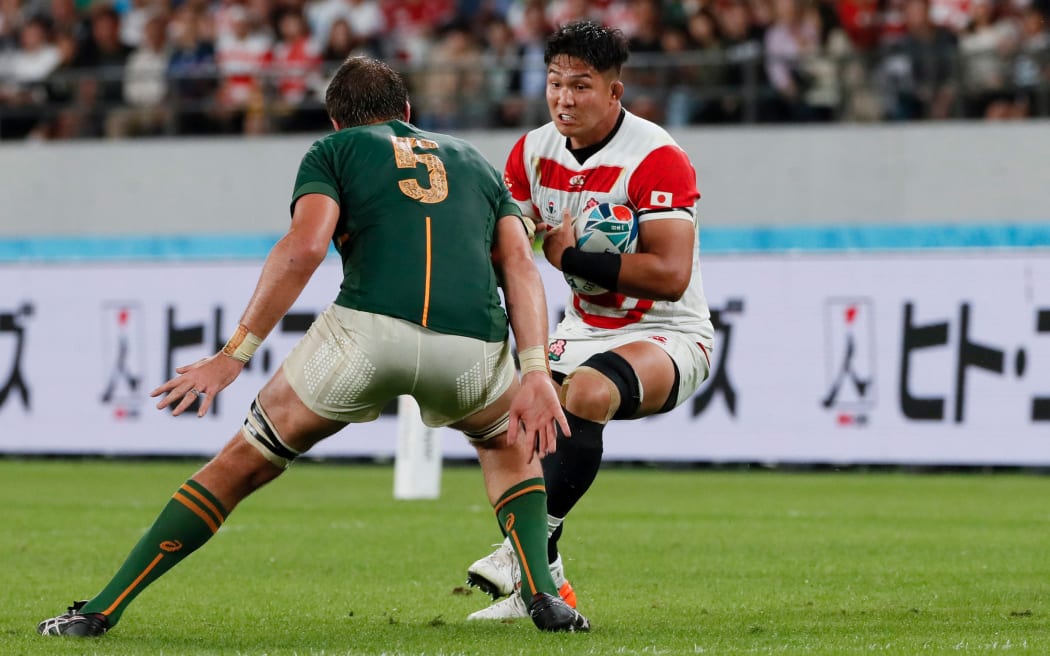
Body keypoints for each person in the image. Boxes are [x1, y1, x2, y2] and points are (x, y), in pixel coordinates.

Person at [36, 55, 589, 638]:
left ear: (335, 121)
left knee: (243, 463)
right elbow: (519, 268)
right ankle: (544, 596)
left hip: (366, 337)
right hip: (471, 346)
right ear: (407, 112)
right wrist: (532, 369)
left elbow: (305, 248)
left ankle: (98, 611)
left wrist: (233, 356)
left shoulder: (335, 151)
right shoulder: (474, 160)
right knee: (508, 447)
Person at [464, 20, 714, 621]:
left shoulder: (656, 157)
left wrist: (570, 256)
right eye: (555, 83)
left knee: (591, 391)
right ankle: (544, 588)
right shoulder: (530, 151)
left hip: (668, 331)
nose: (564, 99)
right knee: (513, 416)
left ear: (614, 92)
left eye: (581, 85)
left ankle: (519, 550)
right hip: (584, 329)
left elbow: (671, 272)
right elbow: (513, 237)